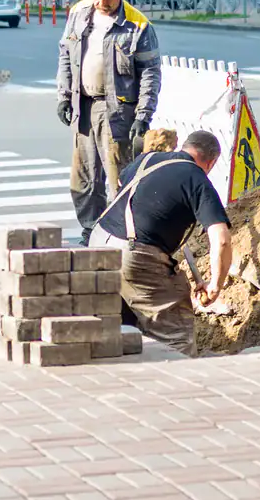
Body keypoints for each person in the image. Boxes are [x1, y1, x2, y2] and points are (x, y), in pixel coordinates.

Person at [90, 128, 233, 356]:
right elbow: (222, 239)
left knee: (122, 326)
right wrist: (215, 286)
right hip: (134, 255)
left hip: (98, 243)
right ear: (212, 162)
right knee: (173, 333)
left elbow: (120, 179)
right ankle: (176, 377)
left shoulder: (148, 159)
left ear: (184, 147)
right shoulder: (196, 179)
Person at [56, 0, 161, 240]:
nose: (102, 2)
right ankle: (91, 230)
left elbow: (150, 73)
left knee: (119, 180)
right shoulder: (79, 13)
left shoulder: (137, 26)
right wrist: (64, 95)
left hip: (118, 112)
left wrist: (143, 115)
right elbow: (66, 54)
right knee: (84, 179)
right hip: (84, 104)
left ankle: (118, 236)